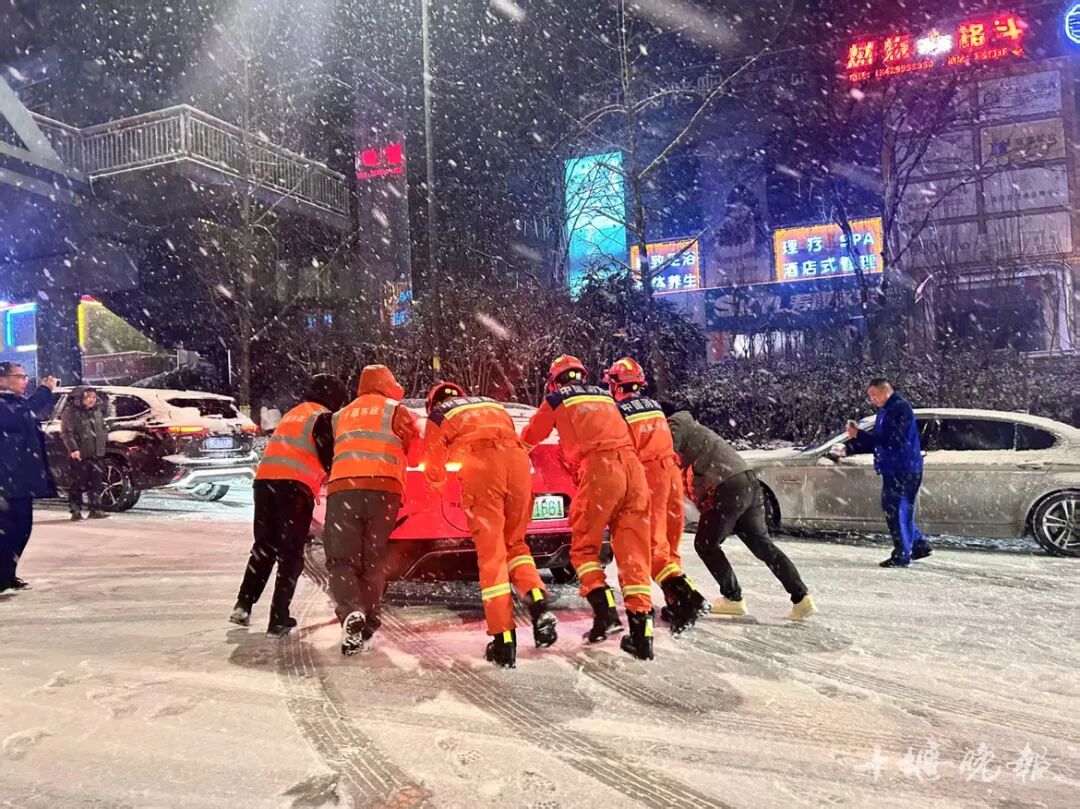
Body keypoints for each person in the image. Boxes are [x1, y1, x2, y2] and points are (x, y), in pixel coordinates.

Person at [521, 355, 655, 661]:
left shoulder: (557, 399)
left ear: (554, 380)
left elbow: (531, 437)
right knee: (633, 553)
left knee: (583, 549)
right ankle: (642, 634)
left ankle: (605, 611)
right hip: (633, 471)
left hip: (600, 470)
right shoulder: (604, 397)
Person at [422, 381, 557, 668]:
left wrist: (439, 484)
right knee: (515, 544)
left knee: (492, 555)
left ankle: (503, 640)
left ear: (432, 403)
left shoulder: (438, 415)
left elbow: (432, 468)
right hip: (518, 463)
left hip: (483, 467)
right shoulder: (491, 405)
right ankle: (536, 599)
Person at [664, 405, 816, 621]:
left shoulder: (675, 424)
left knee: (705, 544)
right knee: (762, 545)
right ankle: (801, 597)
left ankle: (733, 598)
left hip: (726, 485)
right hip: (746, 481)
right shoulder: (692, 428)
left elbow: (663, 456)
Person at [230, 374, 347, 637]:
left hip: (264, 483)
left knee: (264, 547)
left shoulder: (294, 414)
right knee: (291, 553)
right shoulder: (322, 417)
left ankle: (243, 605)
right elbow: (329, 458)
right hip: (294, 487)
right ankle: (278, 617)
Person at [604, 358, 706, 633]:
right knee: (669, 543)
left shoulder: (618, 413)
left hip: (648, 477)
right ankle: (676, 601)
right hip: (671, 473)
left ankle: (688, 596)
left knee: (649, 546)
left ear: (615, 384)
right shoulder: (655, 407)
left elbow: (621, 454)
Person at [324, 365, 420, 656]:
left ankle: (351, 611)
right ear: (388, 385)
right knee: (374, 559)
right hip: (384, 489)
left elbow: (333, 449)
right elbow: (414, 448)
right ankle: (367, 622)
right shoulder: (396, 410)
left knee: (342, 559)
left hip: (343, 488)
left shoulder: (340, 415)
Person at [847, 378, 931, 568]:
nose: (872, 399)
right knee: (900, 509)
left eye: (873, 395)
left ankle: (902, 554)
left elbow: (891, 439)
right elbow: (883, 439)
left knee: (896, 510)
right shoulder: (888, 409)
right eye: (870, 396)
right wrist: (859, 438)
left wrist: (859, 435)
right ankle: (917, 544)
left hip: (901, 468)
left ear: (885, 391)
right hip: (900, 467)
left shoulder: (898, 409)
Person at [0, 362, 58, 593]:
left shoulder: (17, 402)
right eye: (19, 376)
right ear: (2, 380)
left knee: (22, 529)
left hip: (20, 479)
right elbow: (17, 415)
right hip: (5, 479)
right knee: (7, 531)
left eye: (25, 377)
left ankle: (7, 574)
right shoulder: (7, 405)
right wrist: (44, 391)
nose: (24, 381)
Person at [60, 386, 109, 520]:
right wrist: (73, 449)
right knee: (77, 483)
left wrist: (102, 442)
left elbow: (102, 428)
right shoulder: (71, 413)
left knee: (95, 482)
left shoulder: (97, 411)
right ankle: (76, 510)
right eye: (88, 397)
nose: (91, 400)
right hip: (80, 454)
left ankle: (96, 508)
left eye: (93, 397)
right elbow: (67, 433)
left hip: (96, 453)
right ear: (80, 398)